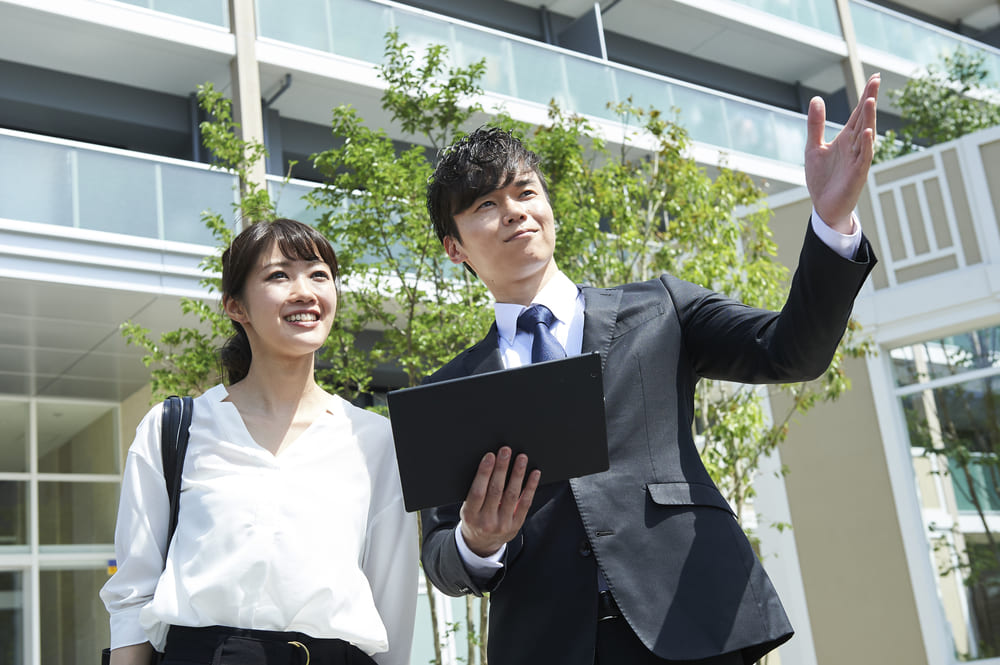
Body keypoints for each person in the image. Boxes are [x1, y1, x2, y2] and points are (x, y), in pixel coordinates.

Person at [419, 75, 882, 665]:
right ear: (453, 247)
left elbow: (791, 350)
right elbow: (440, 554)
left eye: (526, 193)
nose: (515, 213)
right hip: (550, 645)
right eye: (486, 205)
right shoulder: (449, 393)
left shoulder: (661, 306)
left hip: (693, 618)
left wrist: (831, 221)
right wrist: (477, 544)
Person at [101, 218, 417, 665]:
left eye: (319, 274)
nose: (305, 291)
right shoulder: (174, 429)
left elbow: (393, 604)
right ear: (236, 307)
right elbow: (133, 597)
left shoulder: (374, 439)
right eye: (279, 275)